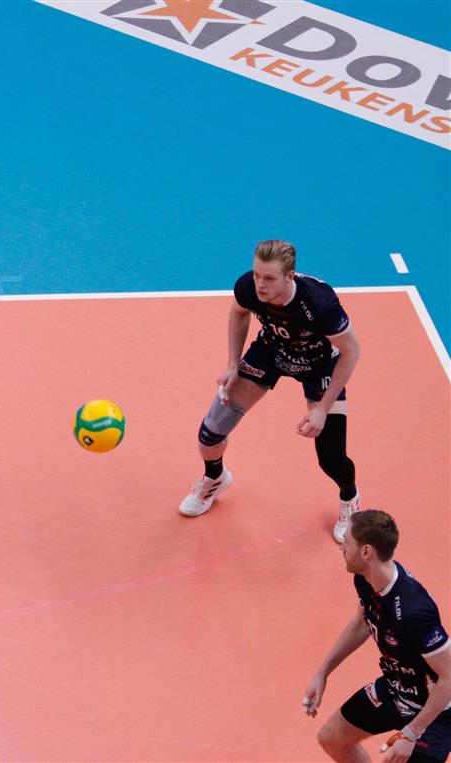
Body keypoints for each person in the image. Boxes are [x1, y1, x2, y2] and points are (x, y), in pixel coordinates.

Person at [179, 239, 362, 542]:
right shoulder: (249, 288)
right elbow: (238, 312)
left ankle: (350, 498)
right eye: (256, 275)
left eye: (269, 278)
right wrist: (233, 364)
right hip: (271, 352)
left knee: (331, 458)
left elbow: (351, 351)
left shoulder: (319, 303)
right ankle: (215, 478)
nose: (260, 285)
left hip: (320, 367)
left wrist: (322, 408)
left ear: (289, 276)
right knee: (210, 433)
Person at [303, 509, 451, 762]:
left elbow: (450, 675)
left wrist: (411, 733)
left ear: (366, 552)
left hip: (436, 712)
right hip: (398, 688)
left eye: (347, 542)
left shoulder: (414, 610)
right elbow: (362, 622)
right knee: (332, 738)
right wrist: (323, 671)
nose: (341, 547)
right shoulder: (365, 579)